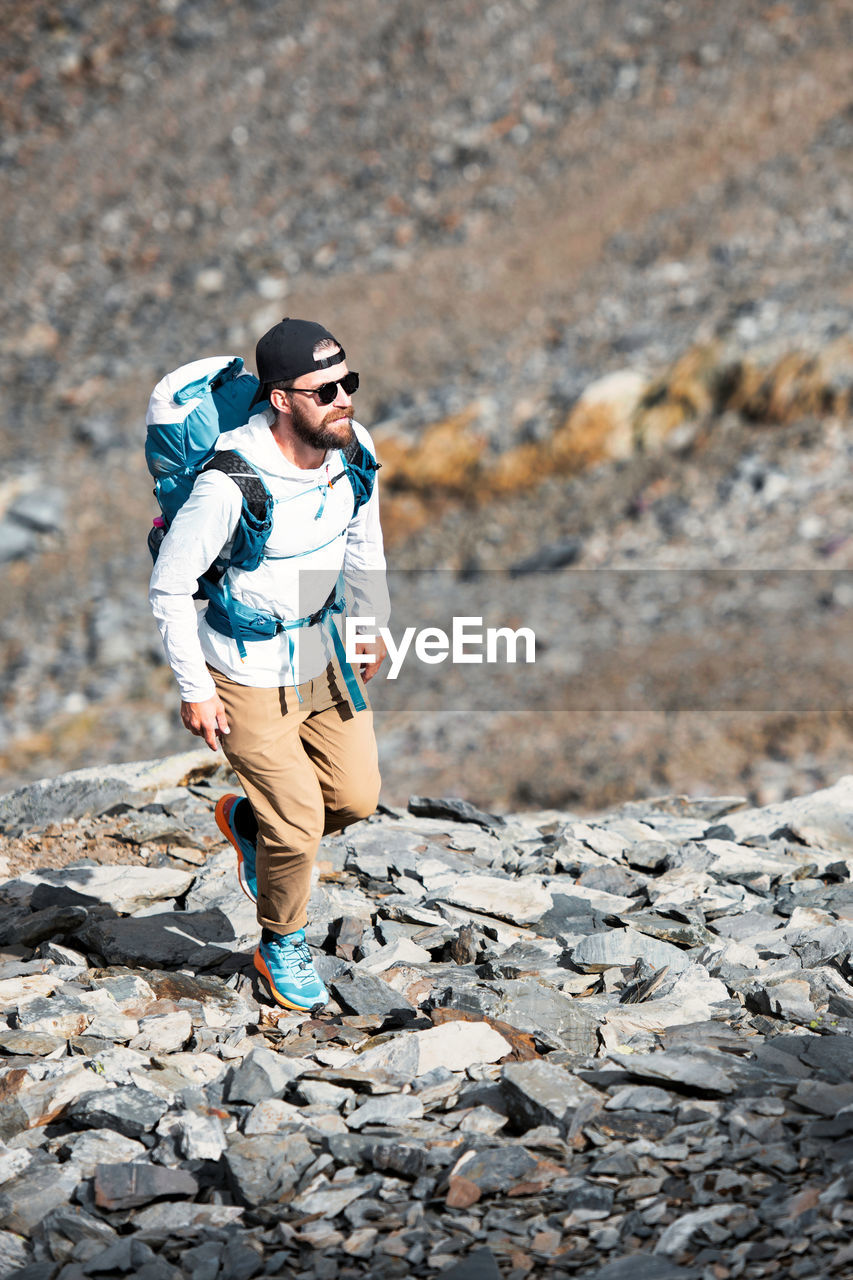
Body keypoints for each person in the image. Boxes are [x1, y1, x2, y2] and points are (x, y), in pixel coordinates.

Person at [149, 318, 389, 1012]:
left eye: (350, 383)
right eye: (325, 391)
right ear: (280, 399)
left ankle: (249, 829)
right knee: (300, 823)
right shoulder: (230, 483)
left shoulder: (352, 447)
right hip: (244, 674)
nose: (344, 399)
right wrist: (196, 691)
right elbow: (169, 586)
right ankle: (281, 940)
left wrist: (369, 621)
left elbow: (361, 533)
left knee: (354, 798)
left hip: (321, 655)